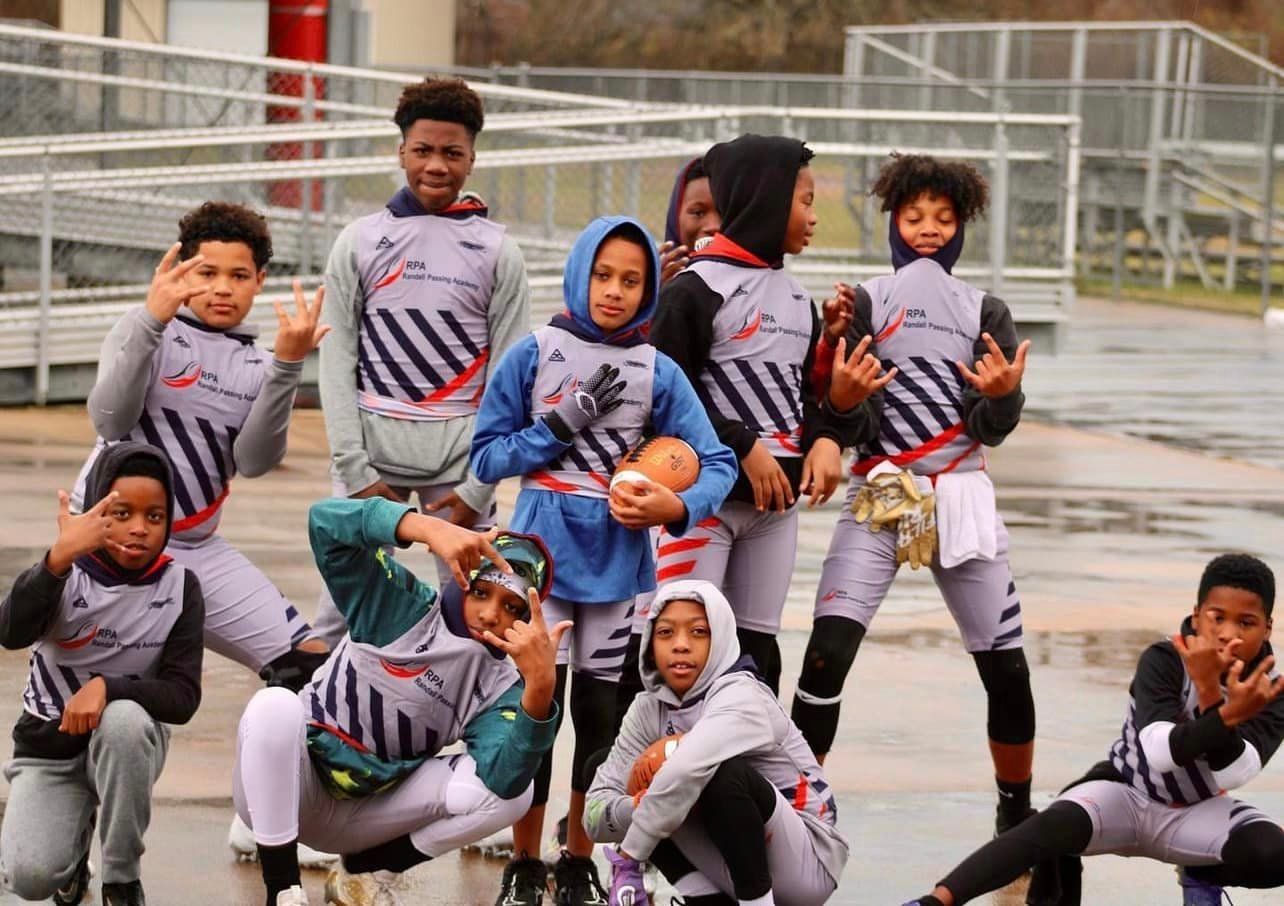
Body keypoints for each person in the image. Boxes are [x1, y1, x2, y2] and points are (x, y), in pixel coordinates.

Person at [471, 215, 737, 905]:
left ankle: (576, 859)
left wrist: (672, 509)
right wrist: (560, 424)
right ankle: (523, 862)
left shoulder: (658, 370)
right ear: (579, 271)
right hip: (540, 561)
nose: (614, 291)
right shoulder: (535, 352)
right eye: (602, 275)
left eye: (631, 280)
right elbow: (485, 456)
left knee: (600, 718)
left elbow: (717, 462)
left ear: (649, 289)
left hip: (618, 563)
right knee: (537, 711)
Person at [788, 153, 1038, 836]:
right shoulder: (867, 299)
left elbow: (994, 424)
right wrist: (843, 400)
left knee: (1007, 668)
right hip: (883, 489)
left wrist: (1002, 397)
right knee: (826, 651)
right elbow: (852, 415)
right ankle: (799, 801)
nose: (928, 229)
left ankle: (1016, 812)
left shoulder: (984, 308)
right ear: (894, 222)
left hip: (961, 494)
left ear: (962, 228)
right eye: (914, 215)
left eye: (943, 218)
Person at [234, 499, 565, 906]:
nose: (491, 614)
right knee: (273, 706)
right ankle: (282, 890)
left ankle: (367, 870)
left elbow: (504, 780)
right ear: (463, 578)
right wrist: (422, 527)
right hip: (287, 790)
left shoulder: (502, 685)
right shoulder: (400, 602)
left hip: (366, 816)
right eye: (481, 593)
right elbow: (324, 526)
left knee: (516, 794)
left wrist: (540, 688)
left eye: (513, 608)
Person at [903, 553, 1284, 906]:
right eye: (1217, 617)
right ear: (1197, 614)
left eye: (1246, 623)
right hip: (1126, 794)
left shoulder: (1273, 690)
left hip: (1199, 812)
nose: (1228, 634)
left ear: (1267, 627)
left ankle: (1201, 873)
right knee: (1050, 825)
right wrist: (1212, 698)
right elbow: (1160, 752)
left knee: (1273, 855)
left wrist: (1215, 704)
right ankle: (935, 901)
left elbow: (1235, 772)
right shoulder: (1164, 659)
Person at [648, 134, 870, 693]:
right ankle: (659, 775)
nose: (813, 217)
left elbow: (803, 398)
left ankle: (746, 777)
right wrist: (743, 445)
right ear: (767, 200)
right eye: (806, 201)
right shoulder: (693, 290)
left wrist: (826, 439)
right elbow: (664, 399)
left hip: (776, 510)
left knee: (757, 657)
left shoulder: (797, 297)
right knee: (686, 649)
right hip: (704, 502)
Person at [313, 76, 530, 646]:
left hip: (460, 467)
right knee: (340, 617)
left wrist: (479, 489)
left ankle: (467, 731)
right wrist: (356, 472)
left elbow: (508, 382)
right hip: (369, 462)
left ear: (472, 158)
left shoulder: (498, 251)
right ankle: (318, 727)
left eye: (452, 153)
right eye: (423, 150)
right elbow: (336, 362)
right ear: (401, 151)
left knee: (475, 620)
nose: (437, 165)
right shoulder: (359, 241)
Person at [75, 203, 329, 681]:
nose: (221, 288)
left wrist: (288, 366)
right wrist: (151, 321)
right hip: (104, 538)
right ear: (182, 270)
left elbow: (254, 462)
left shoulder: (258, 365)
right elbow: (109, 421)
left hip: (194, 547)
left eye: (239, 275)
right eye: (207, 272)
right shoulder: (146, 328)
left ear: (259, 280)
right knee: (93, 694)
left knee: (309, 661)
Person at [0, 443, 204, 906]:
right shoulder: (64, 573)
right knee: (29, 878)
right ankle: (72, 857)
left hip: (127, 746)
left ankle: (121, 881)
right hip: (49, 747)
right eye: (121, 512)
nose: (139, 528)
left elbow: (183, 697)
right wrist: (55, 560)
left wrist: (107, 688)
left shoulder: (180, 587)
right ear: (94, 511)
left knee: (124, 720)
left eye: (155, 516)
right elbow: (9, 633)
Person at [585, 580, 848, 906]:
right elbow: (594, 816)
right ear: (650, 644)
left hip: (806, 863)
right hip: (724, 859)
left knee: (713, 775)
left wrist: (629, 858)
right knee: (605, 766)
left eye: (698, 632)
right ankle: (706, 900)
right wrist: (635, 807)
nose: (681, 644)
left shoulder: (742, 694)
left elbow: (686, 767)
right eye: (666, 633)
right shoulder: (647, 709)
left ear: (721, 639)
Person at [658, 157, 721, 285]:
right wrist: (654, 298)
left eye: (724, 213)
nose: (714, 226)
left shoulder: (757, 281)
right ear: (675, 216)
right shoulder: (650, 284)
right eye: (698, 213)